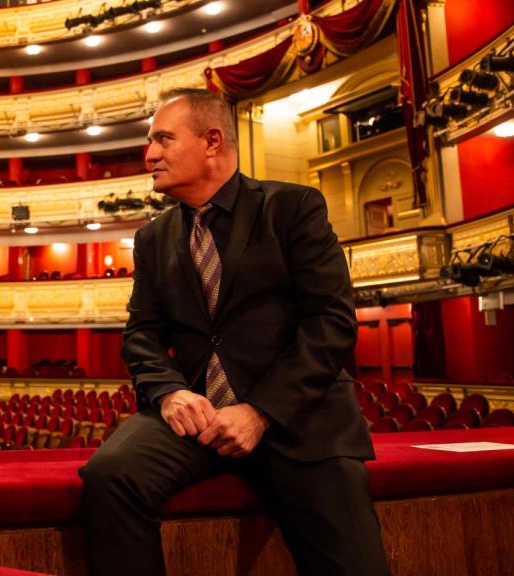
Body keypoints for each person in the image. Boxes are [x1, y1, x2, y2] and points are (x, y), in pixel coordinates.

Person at [79, 88, 390, 576]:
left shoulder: (293, 207)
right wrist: (168, 393)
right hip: (197, 419)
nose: (149, 155)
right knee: (109, 475)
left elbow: (331, 321)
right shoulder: (153, 237)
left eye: (162, 139)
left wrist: (261, 412)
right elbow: (141, 333)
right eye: (149, 142)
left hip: (298, 420)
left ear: (212, 141)